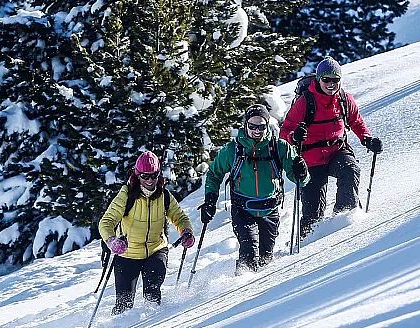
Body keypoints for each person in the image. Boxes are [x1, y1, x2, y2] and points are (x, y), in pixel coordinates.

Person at [200, 104, 310, 273]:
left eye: (261, 126)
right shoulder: (233, 149)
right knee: (250, 254)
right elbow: (214, 173)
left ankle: (258, 293)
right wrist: (210, 199)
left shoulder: (279, 147)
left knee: (266, 258)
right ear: (246, 125)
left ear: (267, 125)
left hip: (270, 210)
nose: (257, 131)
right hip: (243, 210)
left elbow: (299, 180)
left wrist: (301, 172)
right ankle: (239, 287)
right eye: (252, 126)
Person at [280, 56, 382, 238]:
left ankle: (343, 219)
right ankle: (308, 240)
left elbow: (356, 121)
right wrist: (294, 136)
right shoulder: (305, 102)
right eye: (326, 80)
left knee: (350, 170)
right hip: (311, 158)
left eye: (335, 80)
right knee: (312, 212)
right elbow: (285, 132)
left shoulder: (344, 99)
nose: (331, 84)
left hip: (337, 151)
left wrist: (367, 139)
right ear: (319, 80)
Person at [99, 150, 195, 314]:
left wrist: (186, 231)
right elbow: (106, 222)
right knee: (124, 304)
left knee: (152, 294)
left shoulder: (164, 195)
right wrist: (112, 241)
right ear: (137, 175)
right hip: (127, 253)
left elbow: (179, 217)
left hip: (156, 250)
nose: (150, 180)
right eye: (145, 176)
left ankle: (150, 327)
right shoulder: (126, 195)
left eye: (154, 175)